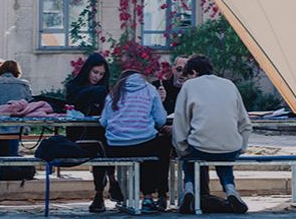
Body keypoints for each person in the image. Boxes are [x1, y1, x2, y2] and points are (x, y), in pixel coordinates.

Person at [172, 55, 252, 215]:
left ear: (193, 72)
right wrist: (241, 146)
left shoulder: (189, 86)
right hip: (230, 146)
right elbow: (245, 122)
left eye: (187, 74)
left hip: (200, 147)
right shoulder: (229, 84)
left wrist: (181, 148)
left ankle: (189, 189)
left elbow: (180, 121)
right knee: (224, 158)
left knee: (189, 158)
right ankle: (230, 190)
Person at [100, 70, 168, 214]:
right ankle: (148, 198)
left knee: (139, 145)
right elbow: (161, 119)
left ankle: (120, 192)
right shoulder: (150, 90)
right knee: (156, 146)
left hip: (116, 147)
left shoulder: (114, 92)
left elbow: (104, 121)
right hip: (144, 145)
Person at [66, 52, 123, 213]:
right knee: (101, 144)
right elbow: (73, 101)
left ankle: (100, 192)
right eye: (95, 72)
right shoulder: (73, 86)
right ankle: (111, 180)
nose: (97, 76)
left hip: (99, 135)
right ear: (87, 70)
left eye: (101, 74)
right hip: (78, 136)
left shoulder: (103, 90)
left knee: (102, 143)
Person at [152, 56, 188, 210]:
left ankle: (195, 194)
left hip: (186, 134)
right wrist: (158, 101)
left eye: (186, 72)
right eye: (179, 70)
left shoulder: (193, 90)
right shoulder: (159, 86)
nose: (182, 74)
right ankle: (161, 194)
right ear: (173, 69)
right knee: (162, 145)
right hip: (163, 133)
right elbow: (147, 114)